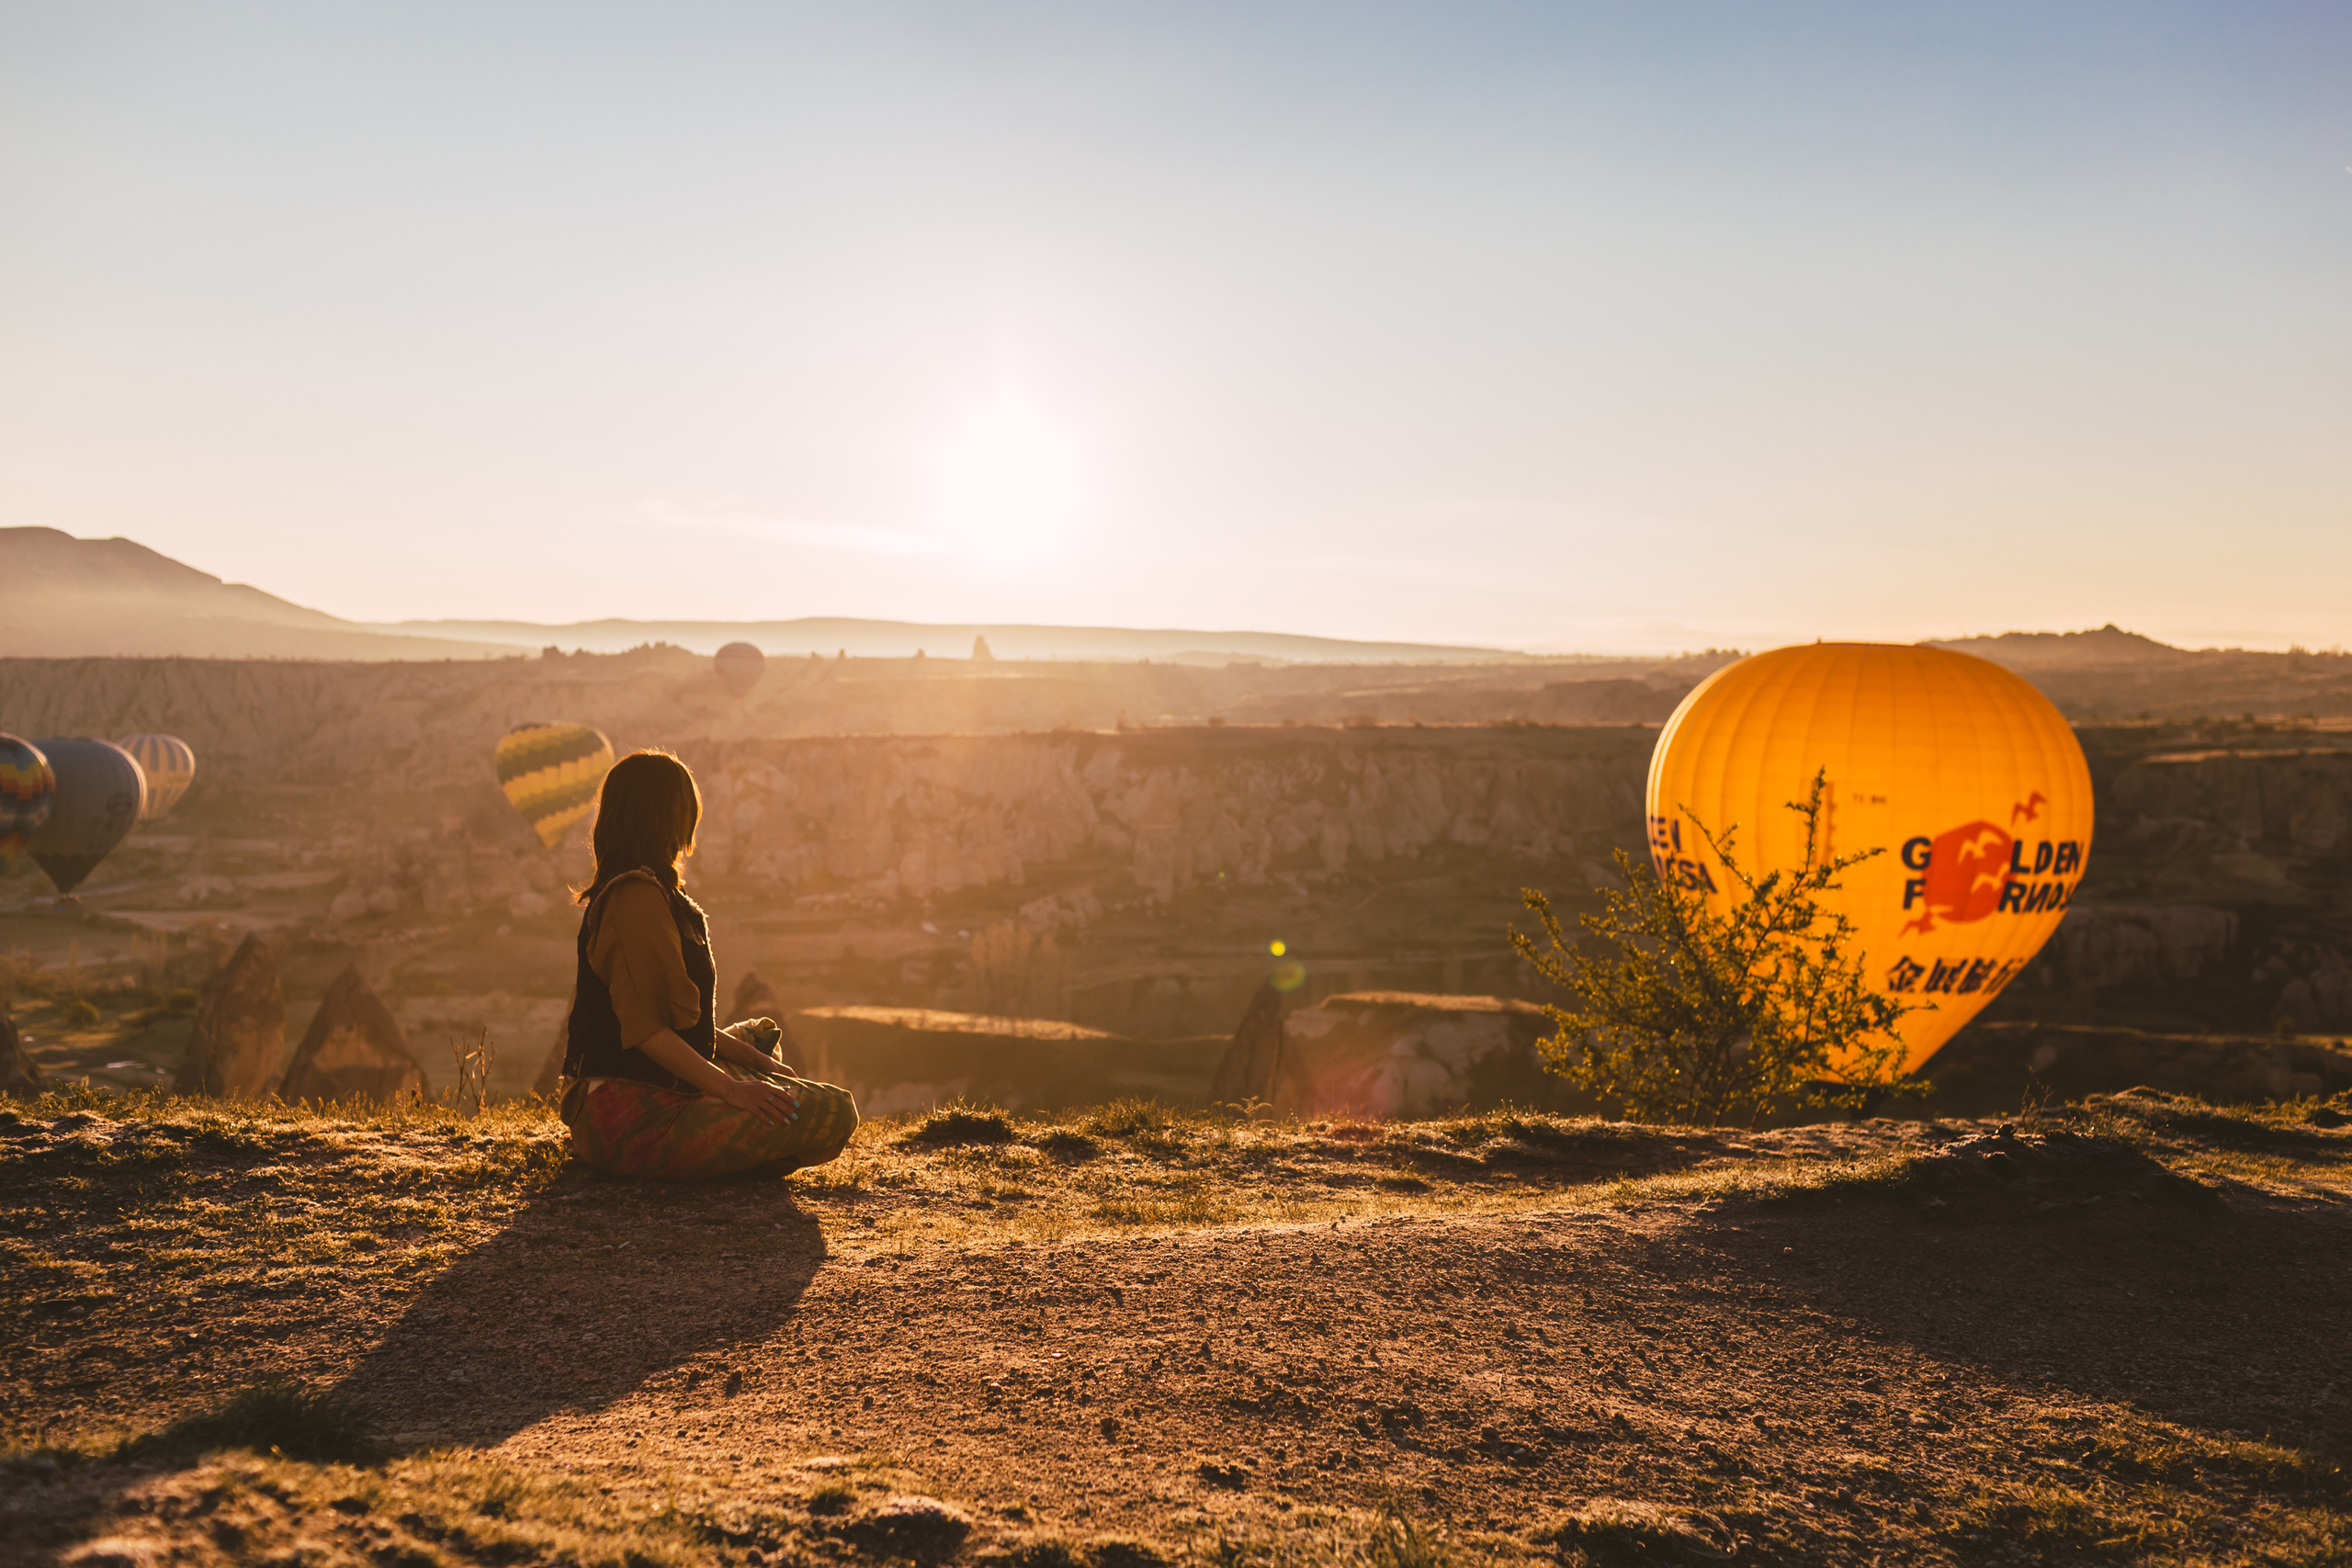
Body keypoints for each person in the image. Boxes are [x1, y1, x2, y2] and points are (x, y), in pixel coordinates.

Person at [558, 749, 857, 1179]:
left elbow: (675, 1023)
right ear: (669, 816)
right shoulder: (636, 898)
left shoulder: (655, 891)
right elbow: (648, 1033)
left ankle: (718, 1152)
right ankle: (704, 1160)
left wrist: (755, 1064)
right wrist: (732, 1090)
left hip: (645, 1087)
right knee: (835, 1111)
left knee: (758, 1040)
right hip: (623, 1114)